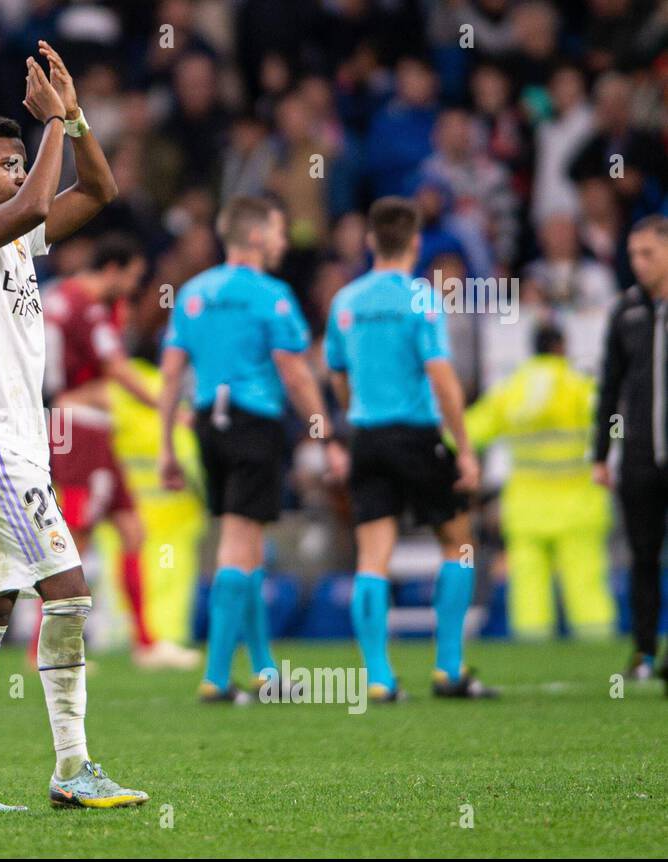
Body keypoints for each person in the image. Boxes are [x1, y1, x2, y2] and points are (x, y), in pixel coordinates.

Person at [0, 43, 148, 812]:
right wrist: (48, 126)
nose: (20, 172)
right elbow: (32, 204)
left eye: (24, 159)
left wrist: (75, 119)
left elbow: (101, 190)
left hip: (9, 448)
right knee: (72, 591)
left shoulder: (17, 237)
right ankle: (73, 767)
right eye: (7, 162)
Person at [159, 196, 345, 703]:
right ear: (258, 236)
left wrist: (165, 449)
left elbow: (172, 372)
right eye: (280, 231)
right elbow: (295, 370)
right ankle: (218, 679)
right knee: (238, 546)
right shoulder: (272, 295)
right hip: (253, 424)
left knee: (247, 543)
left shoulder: (194, 293)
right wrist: (323, 430)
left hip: (206, 426)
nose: (285, 241)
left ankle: (265, 671)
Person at [324, 197, 497, 700]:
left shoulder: (346, 300)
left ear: (371, 241)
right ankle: (449, 669)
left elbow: (336, 374)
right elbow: (441, 378)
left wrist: (356, 405)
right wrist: (463, 448)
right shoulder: (421, 297)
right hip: (417, 436)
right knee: (459, 542)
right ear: (416, 243)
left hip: (367, 438)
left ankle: (379, 679)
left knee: (372, 557)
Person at [37, 232, 199, 671]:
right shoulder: (84, 308)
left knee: (132, 532)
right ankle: (49, 647)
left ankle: (146, 643)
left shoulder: (65, 300)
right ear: (112, 270)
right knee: (74, 538)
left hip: (89, 427)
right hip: (80, 428)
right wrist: (164, 406)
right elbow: (115, 369)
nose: (134, 287)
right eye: (132, 278)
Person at [467, 326, 615, 642]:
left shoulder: (511, 390)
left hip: (526, 509)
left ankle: (532, 651)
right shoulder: (581, 386)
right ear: (562, 347)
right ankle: (602, 658)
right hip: (579, 506)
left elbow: (468, 432)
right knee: (586, 585)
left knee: (529, 589)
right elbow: (615, 424)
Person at [592, 214, 668, 684]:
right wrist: (601, 453)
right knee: (643, 555)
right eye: (633, 254)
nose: (638, 263)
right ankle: (642, 652)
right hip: (639, 454)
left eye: (648, 253)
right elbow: (609, 387)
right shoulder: (626, 312)